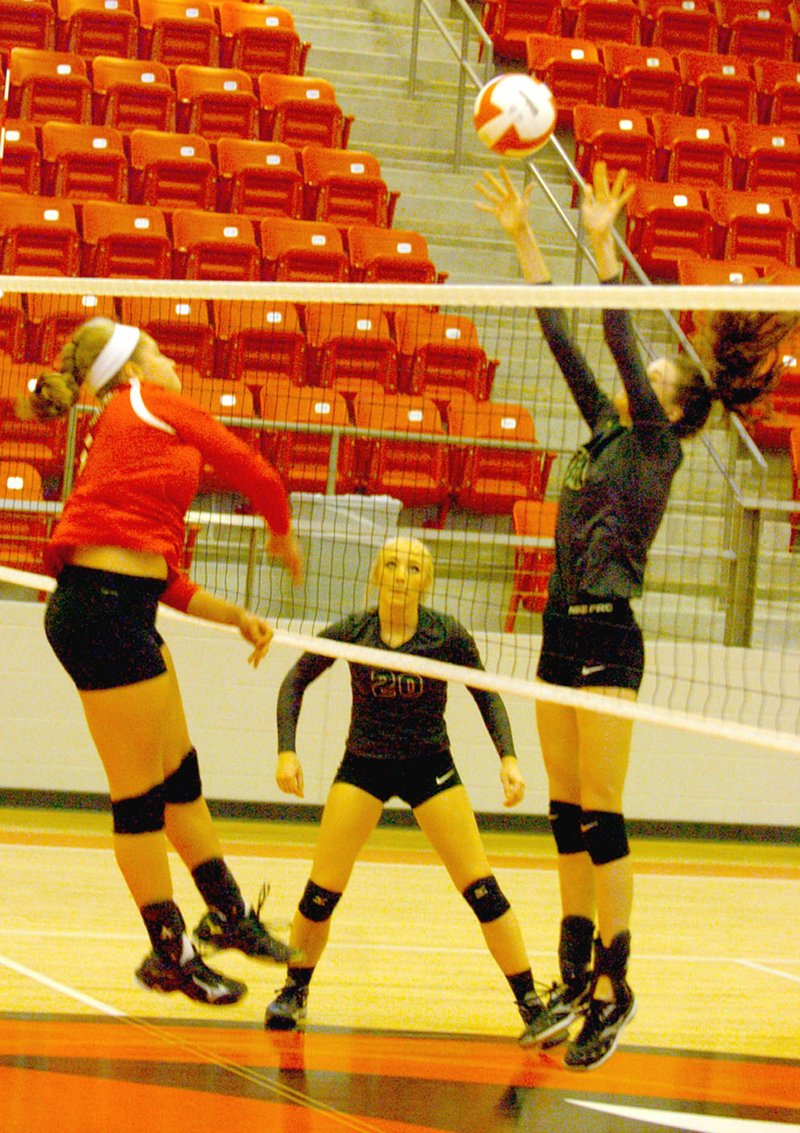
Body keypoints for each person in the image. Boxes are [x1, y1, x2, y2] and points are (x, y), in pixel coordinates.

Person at [475, 162, 797, 1070]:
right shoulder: (604, 432)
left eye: (658, 369)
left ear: (673, 399)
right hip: (558, 627)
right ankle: (574, 965)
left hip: (610, 635)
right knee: (566, 812)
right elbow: (564, 336)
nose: (645, 366)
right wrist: (524, 237)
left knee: (605, 815)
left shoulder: (656, 444)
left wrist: (603, 231)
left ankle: (617, 986)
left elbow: (614, 328)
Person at [18, 316, 304, 1006]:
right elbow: (249, 465)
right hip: (99, 612)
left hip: (124, 605)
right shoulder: (147, 399)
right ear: (137, 364)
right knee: (139, 796)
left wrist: (234, 615)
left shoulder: (128, 426)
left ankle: (227, 914)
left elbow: (161, 575)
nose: (175, 363)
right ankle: (169, 952)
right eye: (163, 353)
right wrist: (282, 530)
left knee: (180, 777)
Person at [265, 536, 560, 1043]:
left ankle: (532, 1003)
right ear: (377, 574)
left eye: (415, 567)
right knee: (320, 892)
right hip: (364, 766)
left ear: (427, 581)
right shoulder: (354, 632)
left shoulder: (447, 635)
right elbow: (294, 680)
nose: (402, 574)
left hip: (430, 767)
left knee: (482, 889)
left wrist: (508, 758)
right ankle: (294, 993)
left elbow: (485, 695)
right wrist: (286, 749)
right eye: (393, 564)